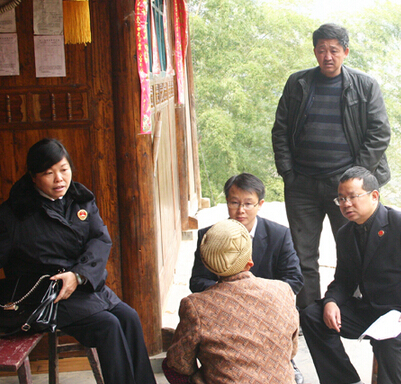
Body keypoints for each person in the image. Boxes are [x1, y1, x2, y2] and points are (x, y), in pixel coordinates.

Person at [0, 138, 156, 384]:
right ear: (33, 177)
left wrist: (79, 275)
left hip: (85, 285)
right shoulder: (14, 214)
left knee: (129, 317)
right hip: (48, 297)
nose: (59, 179)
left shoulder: (80, 199)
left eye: (64, 169)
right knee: (108, 326)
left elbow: (100, 239)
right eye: (48, 173)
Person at [272, 23, 391, 309]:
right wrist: (288, 172)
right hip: (302, 185)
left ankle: (349, 311)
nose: (328, 56)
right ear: (315, 52)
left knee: (353, 250)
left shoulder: (364, 85)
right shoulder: (298, 83)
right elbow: (280, 129)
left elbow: (380, 133)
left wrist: (355, 178)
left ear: (345, 52)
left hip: (346, 189)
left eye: (334, 50)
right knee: (303, 254)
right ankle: (309, 314)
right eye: (322, 50)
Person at [301, 166, 401, 384]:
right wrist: (331, 301)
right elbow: (344, 280)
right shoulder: (346, 233)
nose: (346, 204)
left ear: (374, 196)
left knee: (388, 340)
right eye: (341, 199)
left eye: (352, 197)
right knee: (313, 315)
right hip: (374, 311)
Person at [190, 172, 304, 383]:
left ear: (260, 204)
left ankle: (285, 361)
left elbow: (294, 278)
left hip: (267, 311)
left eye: (248, 204)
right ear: (226, 202)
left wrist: (259, 295)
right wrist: (230, 296)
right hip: (225, 312)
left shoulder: (279, 235)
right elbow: (197, 280)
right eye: (234, 202)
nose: (240, 210)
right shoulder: (209, 236)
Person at [165, 219, 299, 384]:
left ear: (207, 263)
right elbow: (291, 351)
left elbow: (178, 364)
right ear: (249, 260)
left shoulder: (196, 306)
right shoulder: (283, 291)